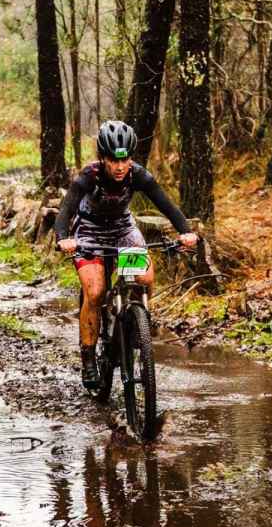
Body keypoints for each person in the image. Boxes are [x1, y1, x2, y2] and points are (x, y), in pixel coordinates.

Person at [55, 120, 199, 389]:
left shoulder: (138, 175)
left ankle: (137, 322)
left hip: (123, 230)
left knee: (143, 278)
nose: (120, 167)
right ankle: (88, 357)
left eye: (125, 160)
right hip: (89, 233)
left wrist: (185, 232)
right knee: (95, 292)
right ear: (103, 158)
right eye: (113, 160)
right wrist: (64, 238)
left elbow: (167, 205)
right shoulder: (88, 176)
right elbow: (65, 211)